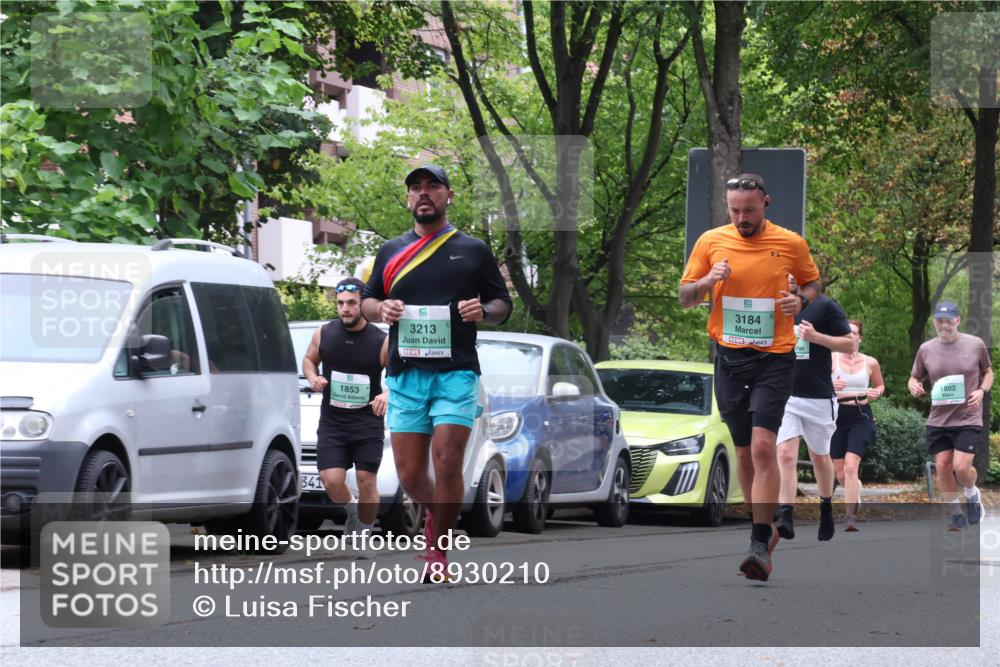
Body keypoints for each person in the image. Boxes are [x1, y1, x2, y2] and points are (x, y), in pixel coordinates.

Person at [362, 165, 513, 582]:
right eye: (416, 188)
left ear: (449, 196)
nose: (423, 193)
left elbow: (502, 303)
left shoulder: (473, 250)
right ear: (408, 199)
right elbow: (368, 301)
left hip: (456, 373)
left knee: (447, 462)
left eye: (432, 186)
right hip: (406, 373)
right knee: (410, 475)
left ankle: (437, 552)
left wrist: (484, 310)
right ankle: (438, 514)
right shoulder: (391, 251)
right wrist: (382, 310)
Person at [680, 173, 822, 582]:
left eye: (750, 210)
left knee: (763, 446)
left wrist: (801, 300)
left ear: (766, 203)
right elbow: (686, 296)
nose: (742, 218)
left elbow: (812, 283)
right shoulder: (711, 241)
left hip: (775, 358)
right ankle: (765, 523)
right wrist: (709, 280)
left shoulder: (789, 242)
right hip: (729, 357)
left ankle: (759, 543)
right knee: (743, 451)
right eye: (735, 210)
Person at [303, 277, 389, 559]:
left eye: (351, 303)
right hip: (333, 422)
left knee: (366, 479)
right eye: (341, 304)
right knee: (331, 480)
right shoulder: (324, 333)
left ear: (363, 304)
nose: (345, 309)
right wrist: (313, 377)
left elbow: (402, 375)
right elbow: (309, 360)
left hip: (367, 420)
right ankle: (353, 511)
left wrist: (386, 393)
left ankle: (364, 532)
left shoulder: (381, 340)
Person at [774, 286, 856, 542]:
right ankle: (786, 514)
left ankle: (826, 506)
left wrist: (816, 336)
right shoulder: (773, 302)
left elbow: (849, 343)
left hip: (818, 397)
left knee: (820, 458)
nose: (788, 278)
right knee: (786, 454)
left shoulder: (824, 305)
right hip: (785, 394)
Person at [908, 301, 993, 531]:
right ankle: (956, 513)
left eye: (948, 320)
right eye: (939, 320)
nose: (944, 325)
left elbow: (988, 372)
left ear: (958, 320)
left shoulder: (975, 344)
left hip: (968, 416)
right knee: (943, 466)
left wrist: (981, 390)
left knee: (961, 467)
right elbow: (915, 377)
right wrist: (914, 386)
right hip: (939, 419)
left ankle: (972, 494)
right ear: (934, 321)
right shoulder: (926, 349)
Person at [830, 319, 885, 531]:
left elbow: (880, 385)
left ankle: (850, 517)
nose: (848, 336)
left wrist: (876, 392)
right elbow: (816, 384)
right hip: (836, 416)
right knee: (841, 474)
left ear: (860, 337)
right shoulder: (831, 359)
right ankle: (856, 490)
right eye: (844, 333)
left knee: (851, 465)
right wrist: (830, 385)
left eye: (852, 333)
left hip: (861, 415)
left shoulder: (870, 362)